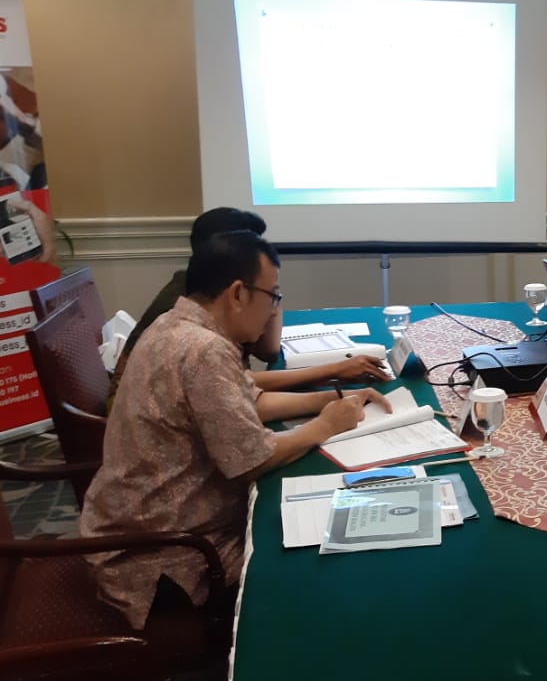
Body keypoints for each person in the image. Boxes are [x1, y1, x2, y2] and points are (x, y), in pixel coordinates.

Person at [79, 230, 391, 630]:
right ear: (239, 293)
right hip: (165, 558)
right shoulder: (203, 349)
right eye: (273, 296)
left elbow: (245, 398)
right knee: (317, 565)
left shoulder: (176, 324)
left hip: (133, 530)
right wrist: (324, 426)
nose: (273, 311)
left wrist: (331, 399)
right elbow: (252, 459)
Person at [107, 207, 390, 407]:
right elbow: (247, 380)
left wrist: (269, 291)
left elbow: (257, 363)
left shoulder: (207, 293)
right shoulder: (190, 318)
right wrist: (333, 380)